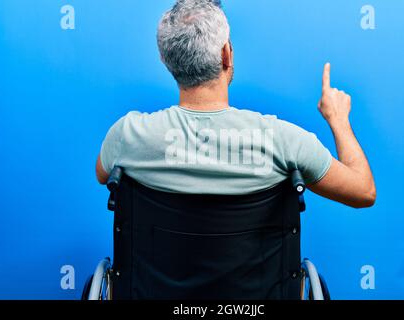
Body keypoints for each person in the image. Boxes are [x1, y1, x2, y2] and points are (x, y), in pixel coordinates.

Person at [96, 0, 376, 208]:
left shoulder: (127, 136)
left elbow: (102, 173)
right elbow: (363, 192)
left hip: (154, 288)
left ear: (165, 60)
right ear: (226, 54)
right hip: (255, 288)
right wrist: (338, 120)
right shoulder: (284, 142)